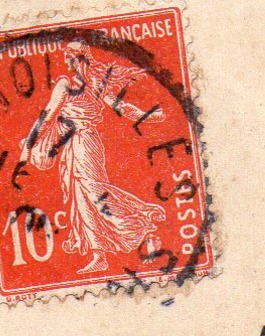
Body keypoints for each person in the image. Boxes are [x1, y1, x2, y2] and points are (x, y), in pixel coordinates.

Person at [19, 40, 168, 275]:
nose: (69, 62)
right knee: (82, 197)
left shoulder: (70, 84)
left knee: (93, 191)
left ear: (74, 59)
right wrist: (148, 115)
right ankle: (99, 255)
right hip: (79, 142)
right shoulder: (91, 84)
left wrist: (27, 148)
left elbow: (47, 117)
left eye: (70, 58)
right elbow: (123, 108)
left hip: (82, 142)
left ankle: (140, 222)